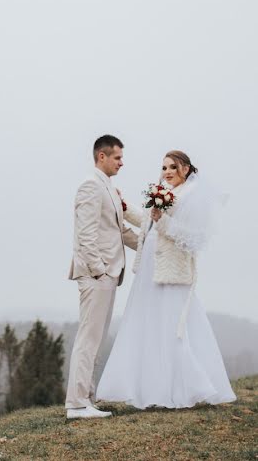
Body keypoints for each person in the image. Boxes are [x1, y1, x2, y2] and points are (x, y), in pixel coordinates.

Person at [96, 150, 236, 409]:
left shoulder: (192, 197)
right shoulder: (164, 192)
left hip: (172, 270)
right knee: (148, 322)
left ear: (185, 168)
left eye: (173, 166)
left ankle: (185, 387)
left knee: (173, 325)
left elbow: (193, 237)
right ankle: (148, 389)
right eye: (164, 167)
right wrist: (126, 209)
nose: (167, 171)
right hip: (151, 265)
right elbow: (149, 222)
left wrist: (163, 222)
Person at [65, 134, 139, 419]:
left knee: (96, 339)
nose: (122, 163)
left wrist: (152, 244)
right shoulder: (90, 186)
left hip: (109, 274)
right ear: (102, 157)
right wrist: (100, 270)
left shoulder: (108, 188)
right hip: (97, 275)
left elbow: (118, 231)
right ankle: (75, 404)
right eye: (118, 157)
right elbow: (86, 235)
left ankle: (87, 399)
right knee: (88, 338)